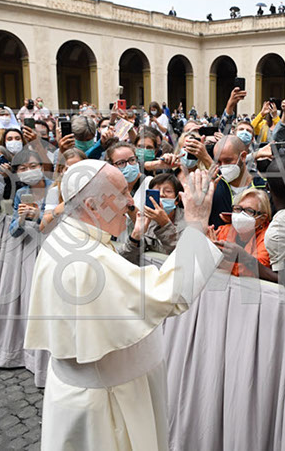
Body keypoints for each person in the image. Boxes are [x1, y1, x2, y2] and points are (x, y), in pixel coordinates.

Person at [24, 161, 222, 451]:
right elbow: (169, 294)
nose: (132, 202)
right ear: (92, 205)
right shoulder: (88, 260)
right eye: (122, 193)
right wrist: (196, 223)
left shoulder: (68, 235)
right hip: (108, 406)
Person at [119, 173, 186, 265]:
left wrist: (164, 223)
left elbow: (184, 255)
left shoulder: (189, 219)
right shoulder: (148, 220)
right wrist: (135, 236)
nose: (162, 194)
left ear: (177, 200)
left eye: (168, 191)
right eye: (156, 192)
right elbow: (125, 258)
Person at [212, 189, 275, 281]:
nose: (241, 215)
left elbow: (254, 270)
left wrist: (220, 262)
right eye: (238, 209)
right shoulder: (226, 230)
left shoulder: (268, 237)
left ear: (262, 218)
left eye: (249, 211)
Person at [210, 135, 267, 228]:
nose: (223, 166)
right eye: (219, 162)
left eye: (228, 160)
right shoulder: (213, 186)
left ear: (243, 156)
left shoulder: (263, 187)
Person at [40, 148, 87, 232]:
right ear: (61, 171)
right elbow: (43, 228)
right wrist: (58, 210)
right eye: (68, 169)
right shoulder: (55, 192)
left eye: (78, 168)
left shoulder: (92, 189)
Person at [9, 148, 52, 237]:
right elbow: (13, 232)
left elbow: (60, 219)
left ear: (42, 168)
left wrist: (38, 215)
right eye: (23, 169)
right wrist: (21, 219)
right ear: (17, 174)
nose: (29, 171)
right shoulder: (20, 193)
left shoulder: (55, 188)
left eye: (33, 166)